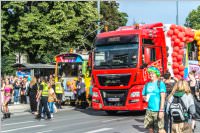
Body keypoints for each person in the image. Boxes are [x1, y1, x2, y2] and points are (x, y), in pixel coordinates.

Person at [142, 66, 166, 133]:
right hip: (149, 110)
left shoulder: (160, 83)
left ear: (156, 74)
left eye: (152, 73)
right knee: (150, 129)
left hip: (158, 110)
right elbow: (143, 95)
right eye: (150, 73)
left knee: (160, 129)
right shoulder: (147, 85)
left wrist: (161, 110)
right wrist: (145, 98)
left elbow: (163, 97)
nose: (150, 75)